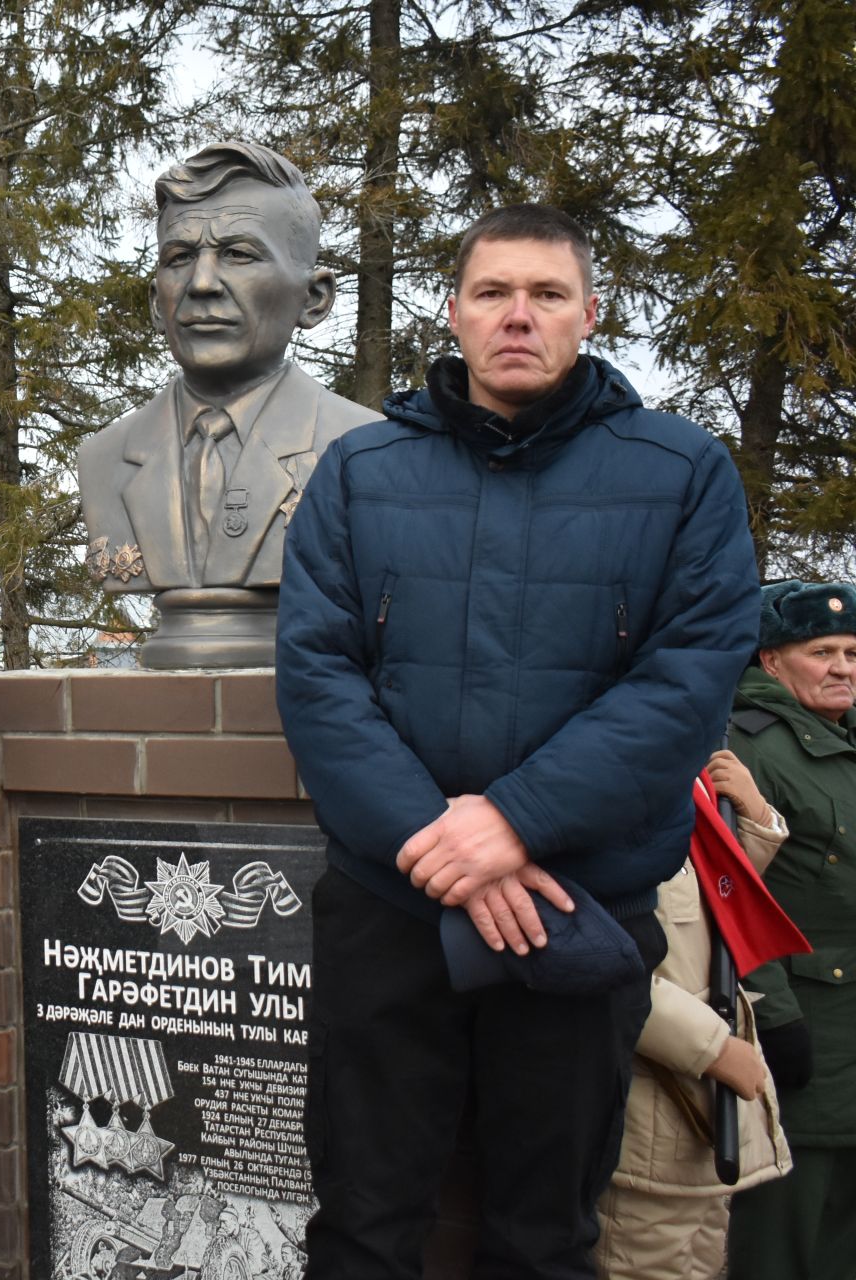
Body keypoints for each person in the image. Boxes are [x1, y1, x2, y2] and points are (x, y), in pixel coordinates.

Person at [275, 203, 761, 1277]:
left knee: (545, 1236)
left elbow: (689, 679)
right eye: (492, 293)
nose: (518, 316)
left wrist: (515, 821)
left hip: (577, 906)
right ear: (452, 312)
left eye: (546, 294)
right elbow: (317, 674)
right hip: (392, 911)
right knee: (362, 1223)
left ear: (591, 312)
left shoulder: (682, 473)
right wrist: (442, 844)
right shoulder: (362, 475)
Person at [78, 141, 377, 593]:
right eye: (179, 257)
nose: (201, 284)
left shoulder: (366, 450)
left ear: (313, 299)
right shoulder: (104, 458)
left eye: (238, 253)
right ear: (157, 304)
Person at [592, 751, 794, 1280]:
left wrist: (753, 818)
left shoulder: (678, 781)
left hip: (704, 1126)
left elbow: (714, 901)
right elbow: (605, 962)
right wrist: (714, 1048)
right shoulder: (605, 797)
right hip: (651, 1121)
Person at [726, 580, 856, 1279]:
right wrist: (776, 1020)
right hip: (805, 1038)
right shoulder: (752, 751)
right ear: (772, 662)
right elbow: (737, 893)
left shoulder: (843, 741)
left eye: (853, 652)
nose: (843, 667)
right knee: (782, 1245)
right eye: (822, 651)